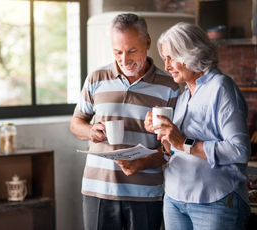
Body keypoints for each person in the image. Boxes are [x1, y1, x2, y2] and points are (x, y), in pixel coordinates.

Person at [70, 13, 179, 230]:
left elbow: (172, 148)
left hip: (146, 193)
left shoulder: (169, 85)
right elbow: (76, 123)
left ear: (147, 42)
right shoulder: (97, 78)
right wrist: (91, 131)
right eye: (117, 52)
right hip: (98, 190)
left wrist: (143, 163)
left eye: (132, 51)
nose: (124, 59)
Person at [144, 22, 251, 230]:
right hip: (175, 198)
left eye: (171, 58)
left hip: (213, 201)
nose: (166, 66)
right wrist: (164, 134)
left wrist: (183, 142)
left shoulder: (221, 87)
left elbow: (239, 150)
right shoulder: (184, 96)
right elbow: (175, 150)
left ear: (190, 53)